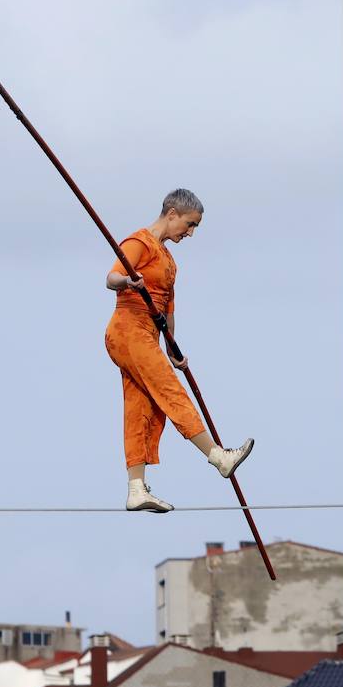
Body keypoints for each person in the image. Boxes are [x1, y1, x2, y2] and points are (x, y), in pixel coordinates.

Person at [105, 189, 253, 512]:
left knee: (141, 407)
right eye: (189, 224)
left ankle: (135, 488)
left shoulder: (169, 262)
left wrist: (173, 348)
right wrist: (129, 283)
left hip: (148, 336)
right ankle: (218, 457)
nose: (190, 233)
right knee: (170, 391)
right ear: (171, 214)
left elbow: (167, 312)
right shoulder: (140, 242)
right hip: (127, 330)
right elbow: (112, 276)